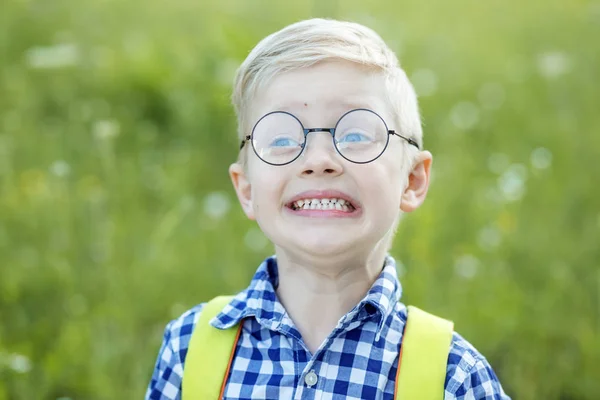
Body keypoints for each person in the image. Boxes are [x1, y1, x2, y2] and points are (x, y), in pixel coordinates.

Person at [146, 18, 510, 399]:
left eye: (356, 134)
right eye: (282, 138)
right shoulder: (188, 348)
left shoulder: (455, 376)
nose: (319, 159)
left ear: (412, 180)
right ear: (247, 189)